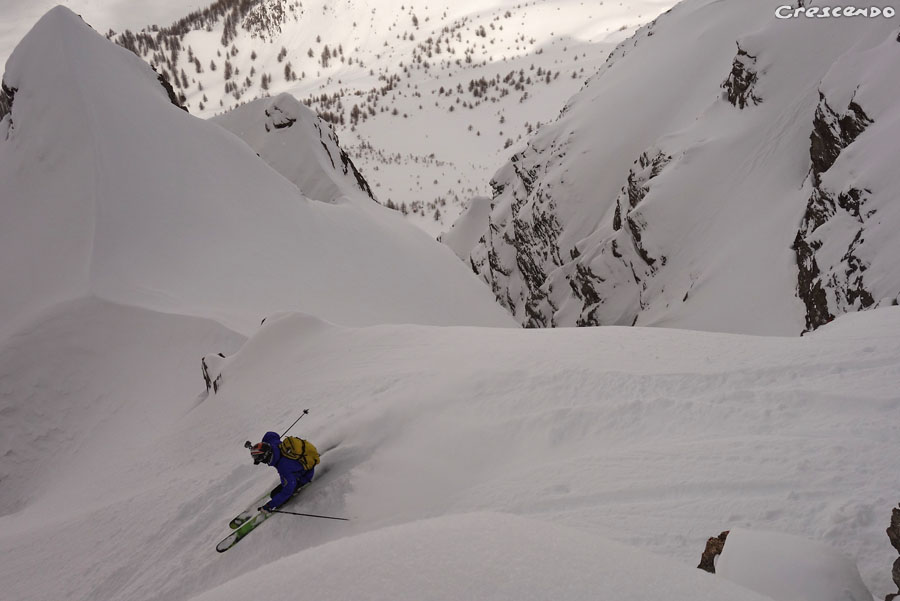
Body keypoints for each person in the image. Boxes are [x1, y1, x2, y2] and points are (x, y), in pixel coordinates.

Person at [248, 431, 315, 512]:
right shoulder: (274, 444)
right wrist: (256, 448)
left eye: (259, 459)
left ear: (265, 457)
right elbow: (270, 434)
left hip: (306, 474)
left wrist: (270, 505)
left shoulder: (284, 467)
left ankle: (298, 486)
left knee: (276, 493)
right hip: (300, 463)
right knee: (284, 483)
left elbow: (288, 489)